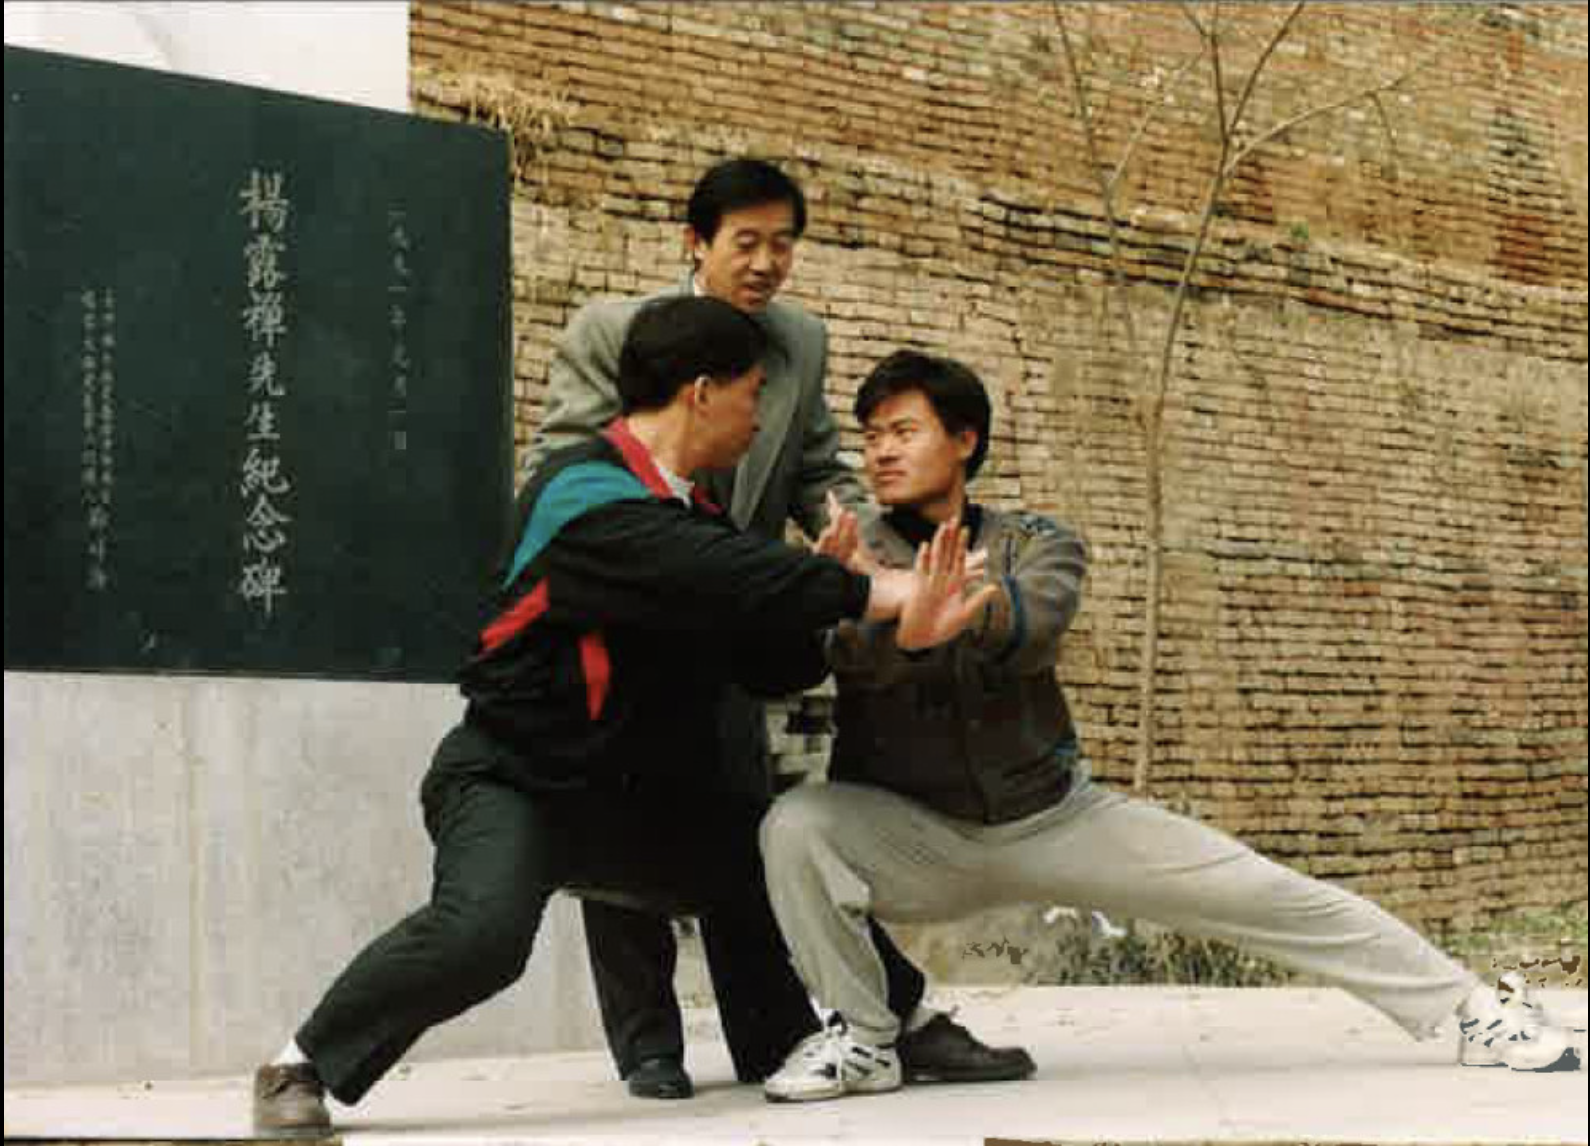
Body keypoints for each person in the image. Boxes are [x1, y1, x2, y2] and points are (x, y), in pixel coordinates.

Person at [249, 297, 991, 1137]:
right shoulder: (583, 493)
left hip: (632, 803)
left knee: (777, 853)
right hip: (512, 781)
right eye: (752, 394)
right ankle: (298, 1064)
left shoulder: (695, 520)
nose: (761, 419)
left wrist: (825, 615)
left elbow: (760, 657)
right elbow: (708, 571)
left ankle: (888, 1027)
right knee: (484, 936)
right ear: (702, 392)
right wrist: (878, 592)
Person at [757, 349, 1583, 1103]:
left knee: (1269, 894)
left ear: (964, 440)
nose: (881, 453)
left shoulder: (1037, 541)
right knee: (796, 825)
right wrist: (874, 608)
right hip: (916, 834)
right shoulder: (845, 550)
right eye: (870, 438)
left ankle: (1475, 1011)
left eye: (904, 431)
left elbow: (1033, 627)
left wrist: (932, 608)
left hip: (1053, 818)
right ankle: (867, 1039)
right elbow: (845, 660)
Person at [525, 156, 1032, 1099]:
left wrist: (873, 560)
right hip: (627, 623)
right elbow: (566, 464)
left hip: (734, 627)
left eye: (783, 243)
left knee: (748, 822)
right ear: (696, 244)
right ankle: (647, 1048)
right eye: (745, 242)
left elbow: (813, 469)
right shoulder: (611, 334)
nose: (766, 262)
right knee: (620, 808)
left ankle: (781, 1036)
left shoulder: (798, 342)